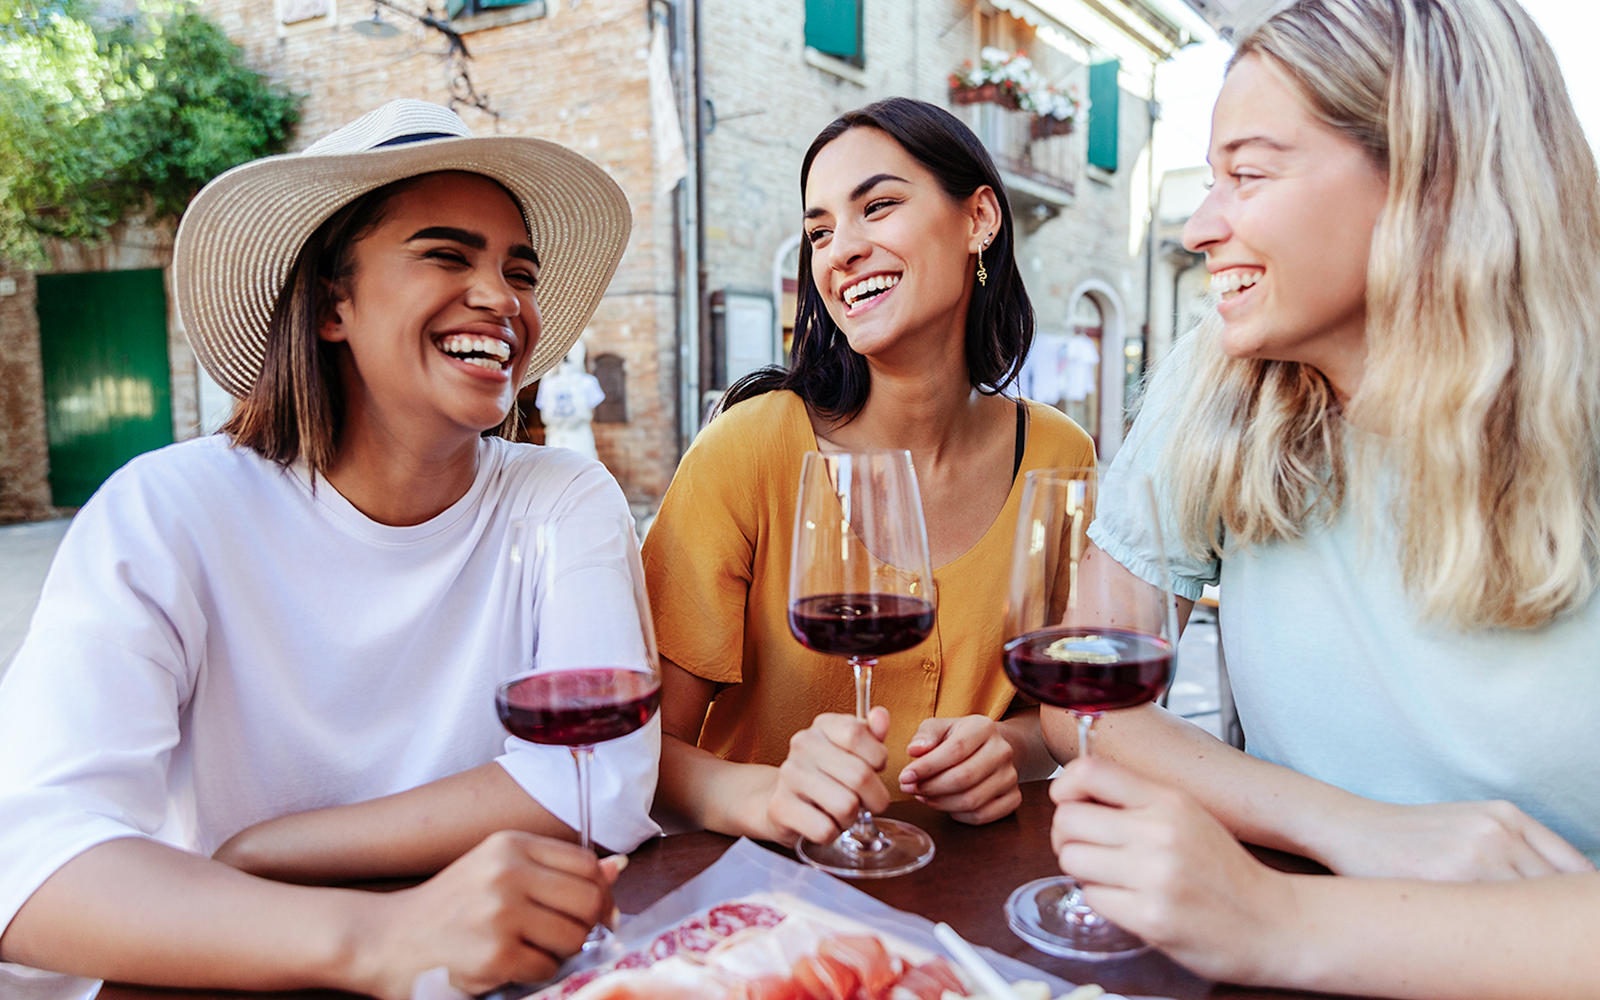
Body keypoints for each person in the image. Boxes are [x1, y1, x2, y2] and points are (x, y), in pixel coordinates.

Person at [0, 100, 659, 999]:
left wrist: (268, 847)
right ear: (330, 306)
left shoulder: (561, 498)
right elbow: (26, 857)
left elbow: (602, 785)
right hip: (227, 971)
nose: (503, 298)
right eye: (445, 254)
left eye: (519, 270)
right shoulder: (167, 509)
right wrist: (381, 936)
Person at [1040, 0, 1600, 994]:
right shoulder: (1217, 380)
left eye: (1248, 175)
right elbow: (1087, 708)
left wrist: (1284, 918)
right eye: (1209, 179)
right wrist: (1352, 828)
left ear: (1433, 179)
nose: (1200, 225)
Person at [643, 98, 1094, 846]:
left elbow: (1061, 714)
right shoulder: (748, 450)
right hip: (770, 903)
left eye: (876, 207)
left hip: (967, 900)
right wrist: (762, 793)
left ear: (979, 218)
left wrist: (1009, 752)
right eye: (818, 232)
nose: (838, 251)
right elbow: (635, 754)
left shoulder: (1057, 455)